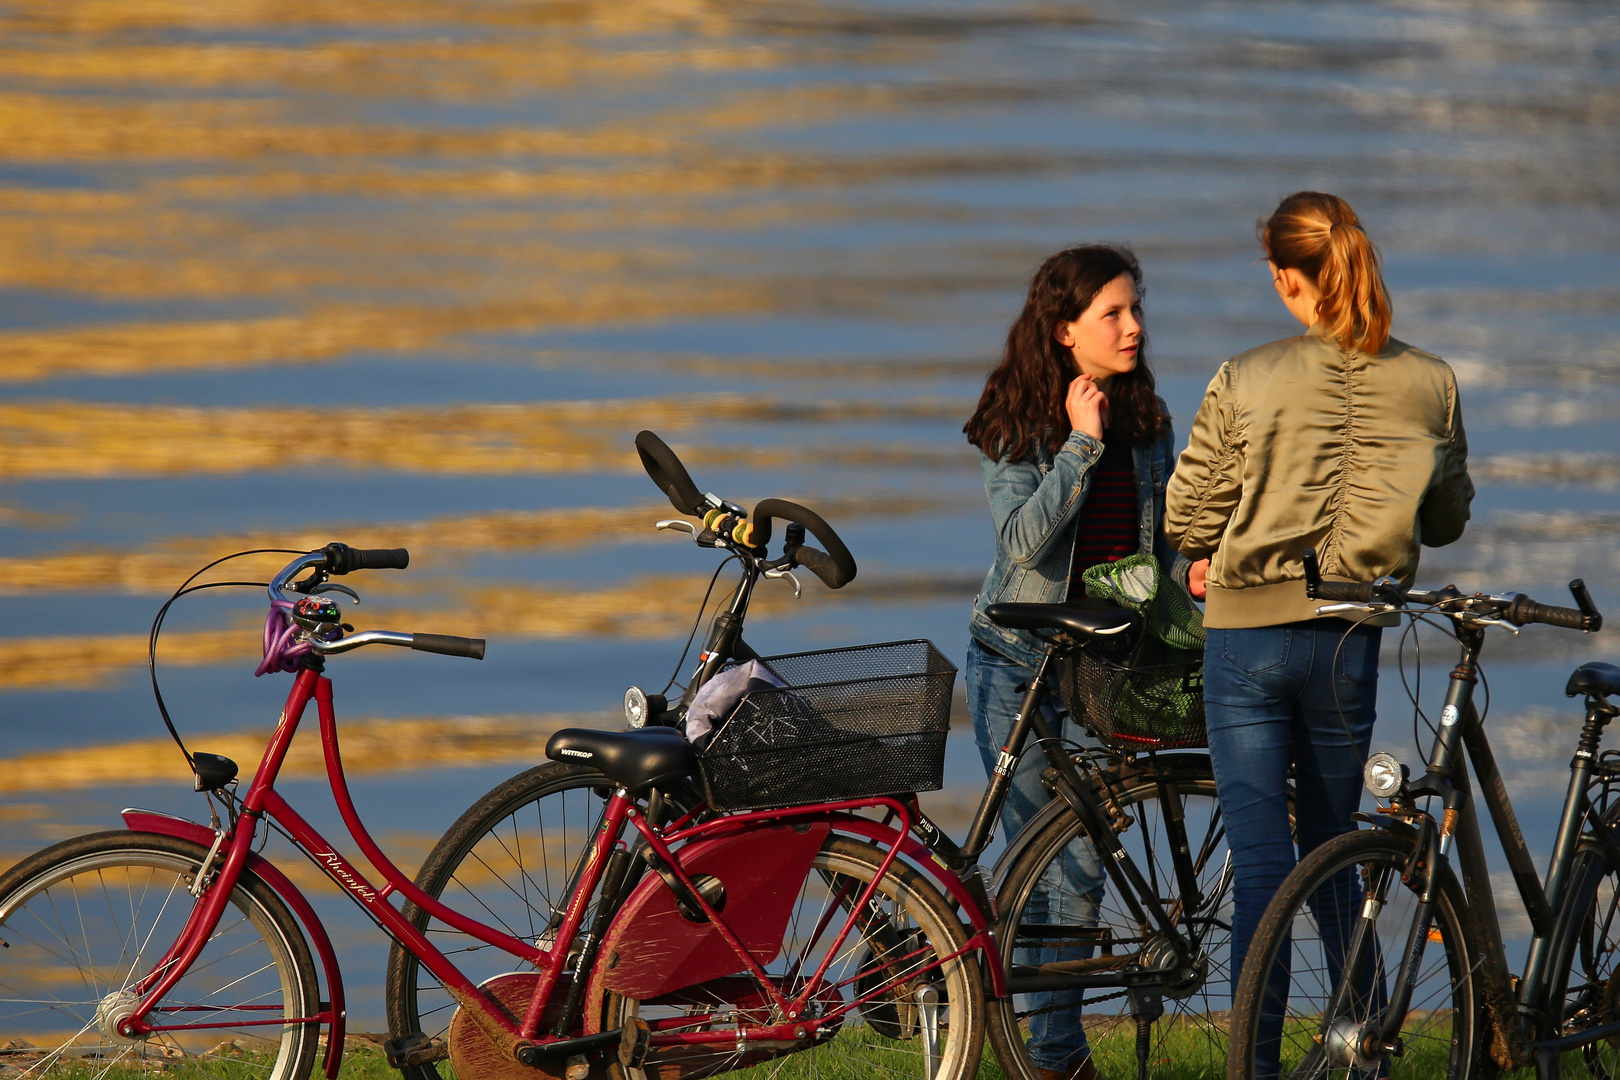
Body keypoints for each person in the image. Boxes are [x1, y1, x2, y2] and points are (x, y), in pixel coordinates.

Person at [1164, 192, 1474, 1076]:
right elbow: (1446, 518)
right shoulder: (1431, 381)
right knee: (1338, 848)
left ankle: (1255, 1069)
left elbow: (1189, 513)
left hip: (1249, 636)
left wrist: (1216, 541)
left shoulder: (1246, 375)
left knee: (1264, 861)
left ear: (1284, 277)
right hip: (1350, 638)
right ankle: (1363, 1054)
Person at [963, 244, 1194, 1080]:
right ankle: (1052, 1055)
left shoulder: (1150, 421)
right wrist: (1081, 447)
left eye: (1136, 311)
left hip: (1108, 669)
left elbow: (1160, 548)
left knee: (1082, 867)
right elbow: (1022, 541)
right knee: (1030, 861)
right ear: (1065, 331)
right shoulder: (1017, 418)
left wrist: (1191, 571)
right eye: (1113, 314)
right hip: (1017, 663)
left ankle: (1052, 1053)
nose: (1133, 328)